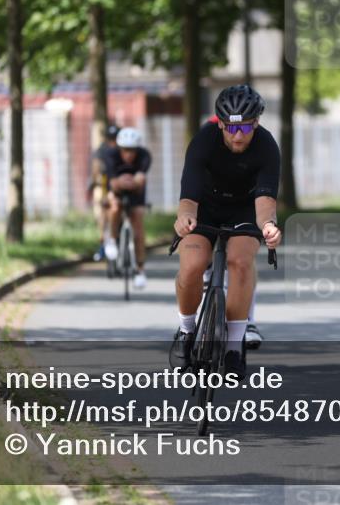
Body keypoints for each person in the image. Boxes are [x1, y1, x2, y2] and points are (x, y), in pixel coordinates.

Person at [170, 85, 282, 377]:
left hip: (245, 210)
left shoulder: (267, 146)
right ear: (220, 123)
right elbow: (189, 195)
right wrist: (184, 218)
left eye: (245, 127)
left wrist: (268, 226)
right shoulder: (204, 140)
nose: (238, 135)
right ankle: (186, 330)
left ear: (256, 122)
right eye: (231, 127)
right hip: (205, 207)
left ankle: (234, 346)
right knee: (192, 264)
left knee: (241, 262)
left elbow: (265, 200)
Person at [102, 127, 152, 290]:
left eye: (132, 150)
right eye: (125, 150)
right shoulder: (111, 155)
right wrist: (123, 182)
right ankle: (112, 239)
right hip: (117, 190)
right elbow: (113, 182)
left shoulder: (144, 155)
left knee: (138, 226)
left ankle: (140, 270)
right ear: (119, 148)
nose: (128, 154)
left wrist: (131, 181)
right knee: (115, 206)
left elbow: (140, 179)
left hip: (136, 192)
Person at [88, 124, 120, 261]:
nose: (113, 142)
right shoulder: (102, 150)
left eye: (115, 139)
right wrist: (95, 181)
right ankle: (102, 243)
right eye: (111, 139)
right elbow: (96, 168)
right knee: (103, 208)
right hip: (105, 182)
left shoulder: (123, 149)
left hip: (119, 182)